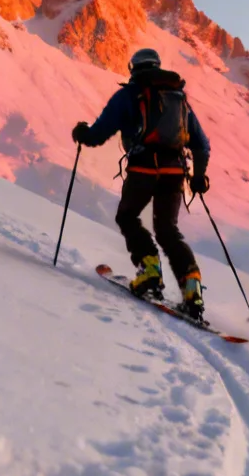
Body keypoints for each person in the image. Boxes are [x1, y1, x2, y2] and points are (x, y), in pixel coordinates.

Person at [73, 47, 211, 318]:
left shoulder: (129, 95)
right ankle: (192, 289)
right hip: (175, 172)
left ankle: (149, 271)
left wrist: (82, 133)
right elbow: (202, 145)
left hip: (144, 169)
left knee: (127, 216)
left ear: (133, 69)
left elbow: (99, 134)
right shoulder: (179, 99)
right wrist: (197, 177)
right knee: (168, 230)